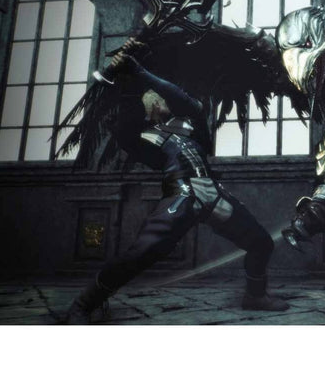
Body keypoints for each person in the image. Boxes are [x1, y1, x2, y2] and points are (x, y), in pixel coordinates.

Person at [66, 38, 288, 324]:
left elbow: (183, 100)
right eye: (154, 98)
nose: (161, 98)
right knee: (142, 252)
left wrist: (139, 70)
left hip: (214, 194)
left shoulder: (193, 126)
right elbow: (127, 118)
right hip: (179, 193)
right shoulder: (138, 137)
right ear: (148, 106)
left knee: (261, 243)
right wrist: (127, 75)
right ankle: (84, 304)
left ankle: (255, 296)